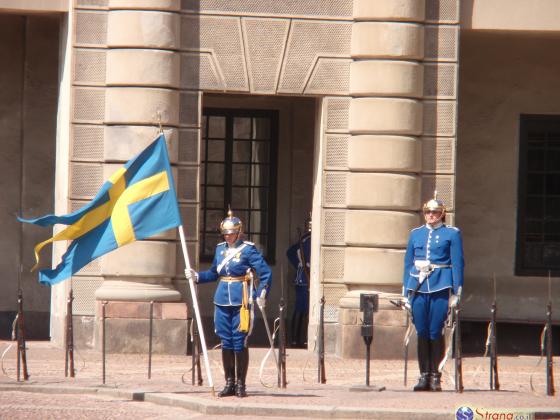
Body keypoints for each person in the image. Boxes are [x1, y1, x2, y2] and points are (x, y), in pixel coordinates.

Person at [186, 209, 272, 398]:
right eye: (225, 233)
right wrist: (197, 276)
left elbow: (265, 273)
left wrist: (261, 293)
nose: (228, 236)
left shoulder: (248, 249)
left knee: (239, 342)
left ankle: (241, 384)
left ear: (239, 232)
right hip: (222, 299)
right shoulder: (220, 249)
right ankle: (229, 383)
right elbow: (214, 273)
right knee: (226, 341)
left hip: (241, 300)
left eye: (231, 233)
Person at [402, 192, 464, 392]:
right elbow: (407, 264)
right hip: (417, 286)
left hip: (440, 284)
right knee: (421, 331)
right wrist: (405, 292)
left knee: (435, 330)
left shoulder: (452, 234)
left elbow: (457, 263)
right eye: (428, 212)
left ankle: (436, 376)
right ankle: (424, 375)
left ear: (442, 214)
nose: (430, 215)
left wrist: (456, 292)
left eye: (435, 212)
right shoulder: (415, 233)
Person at [286, 222, 311, 347]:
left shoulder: (309, 238)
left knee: (306, 310)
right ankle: (295, 339)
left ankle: (301, 338)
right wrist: (300, 265)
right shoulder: (306, 240)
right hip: (304, 279)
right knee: (301, 308)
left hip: (308, 277)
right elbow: (291, 252)